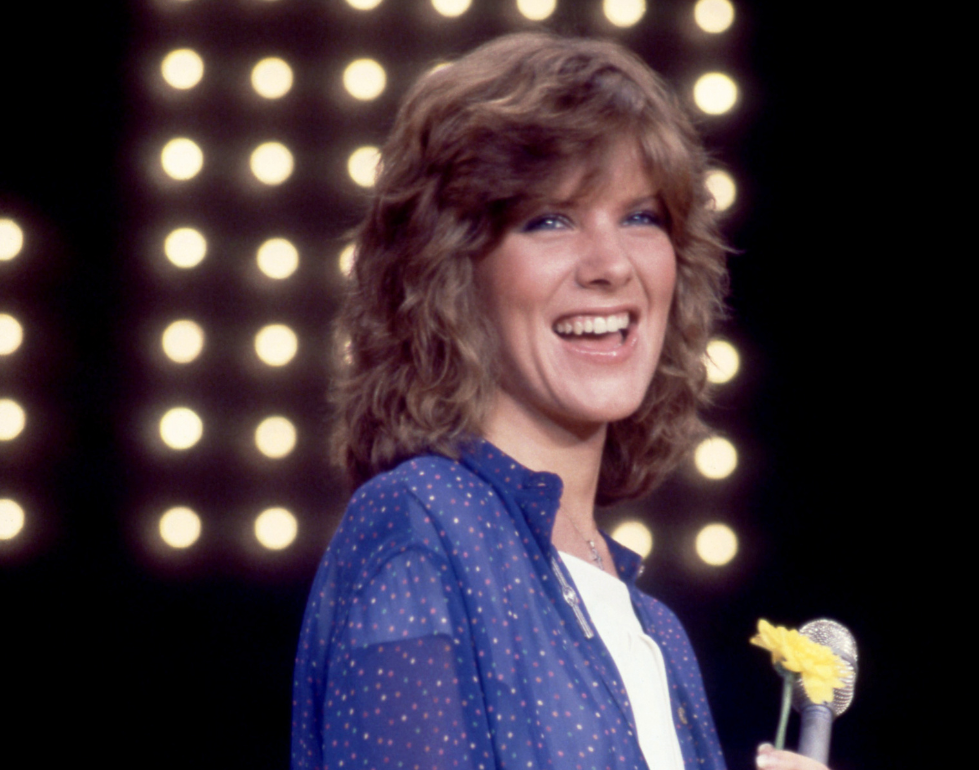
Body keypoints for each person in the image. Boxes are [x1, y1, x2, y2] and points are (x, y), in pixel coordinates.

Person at [292, 32, 830, 770]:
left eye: (641, 217)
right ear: (451, 274)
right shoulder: (421, 528)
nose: (612, 265)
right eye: (551, 219)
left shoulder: (656, 632)